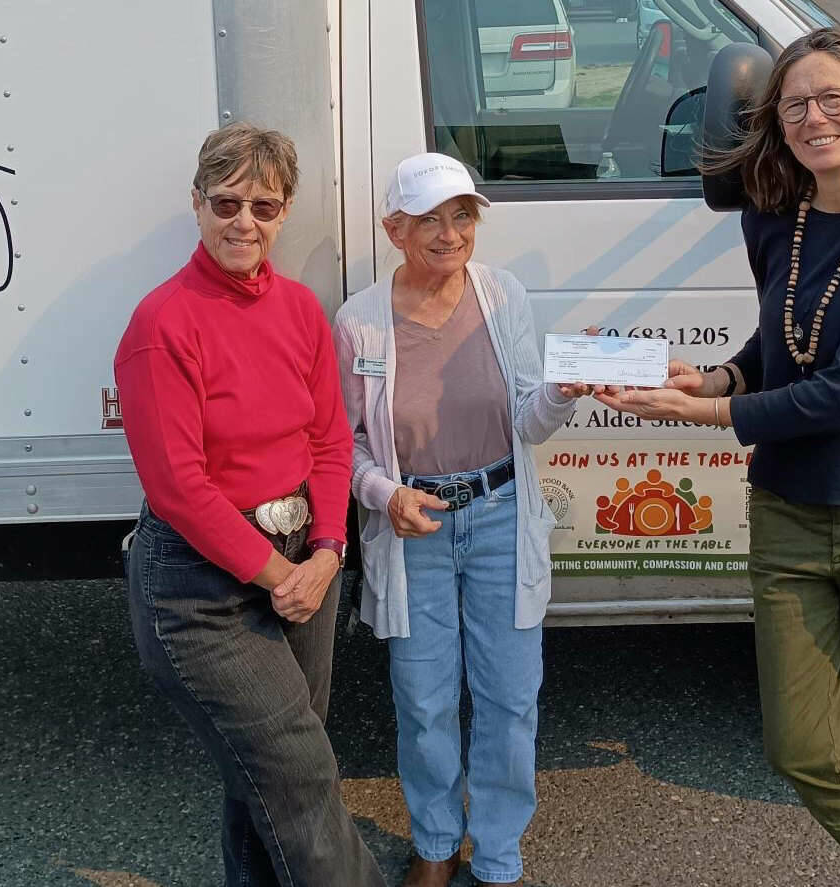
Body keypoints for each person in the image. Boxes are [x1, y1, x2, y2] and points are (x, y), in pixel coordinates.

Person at [598, 28, 840, 887]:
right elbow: (783, 338)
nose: (815, 117)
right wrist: (717, 372)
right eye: (795, 104)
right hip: (791, 514)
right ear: (776, 120)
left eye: (832, 99)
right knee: (805, 744)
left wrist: (705, 411)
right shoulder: (776, 218)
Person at [115, 122, 385, 887]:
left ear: (285, 211)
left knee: (266, 771)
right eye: (227, 202)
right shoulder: (162, 324)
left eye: (264, 206)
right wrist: (278, 574)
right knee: (299, 771)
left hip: (304, 558)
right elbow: (178, 486)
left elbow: (331, 442)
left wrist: (328, 551)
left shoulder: (300, 310)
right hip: (202, 586)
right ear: (197, 204)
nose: (245, 222)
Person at [334, 152, 589, 887]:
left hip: (501, 516)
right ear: (394, 229)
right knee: (424, 699)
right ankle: (437, 842)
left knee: (510, 696)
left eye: (463, 216)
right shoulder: (360, 320)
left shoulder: (502, 295)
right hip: (414, 526)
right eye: (430, 220)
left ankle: (500, 852)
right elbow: (340, 441)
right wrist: (385, 493)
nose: (450, 234)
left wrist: (563, 392)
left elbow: (531, 422)